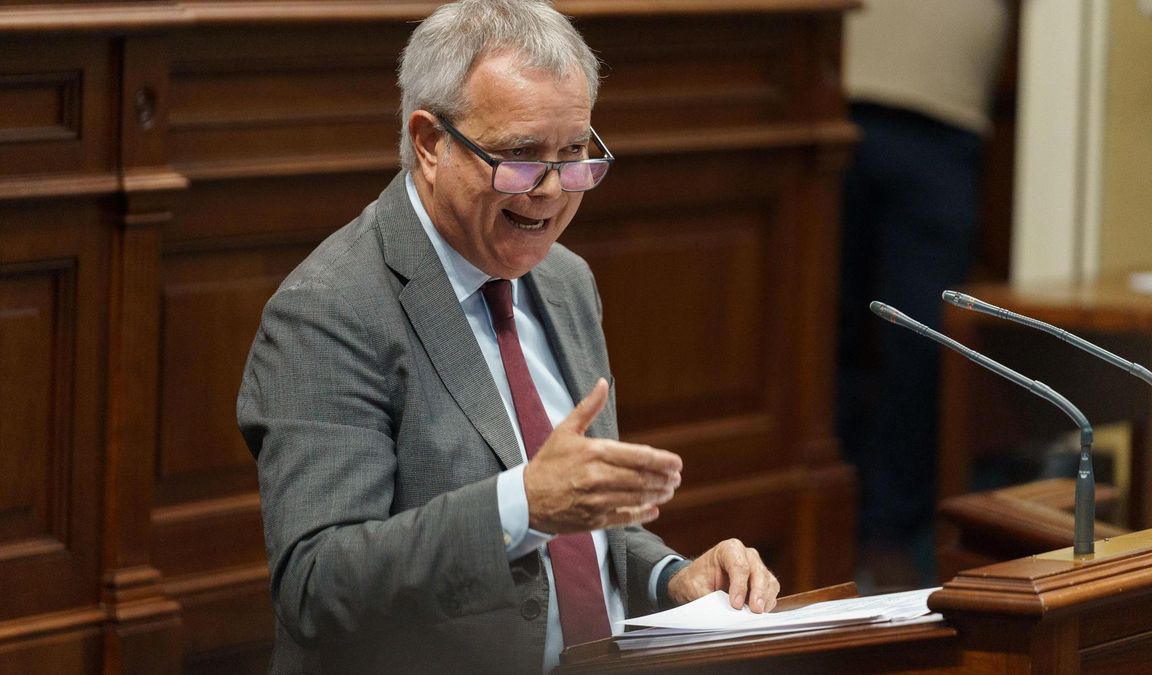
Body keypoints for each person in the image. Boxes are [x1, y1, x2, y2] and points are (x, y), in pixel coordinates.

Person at [237, 1, 779, 672]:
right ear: (431, 143)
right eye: (521, 156)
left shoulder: (565, 280)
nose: (552, 190)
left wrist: (671, 575)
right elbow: (316, 585)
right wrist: (524, 501)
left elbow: (578, 532)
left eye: (575, 154)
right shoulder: (328, 311)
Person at [836, 0, 1012, 589]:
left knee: (920, 343)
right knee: (824, 336)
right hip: (832, 100)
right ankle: (836, 529)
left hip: (947, 119)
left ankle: (890, 533)